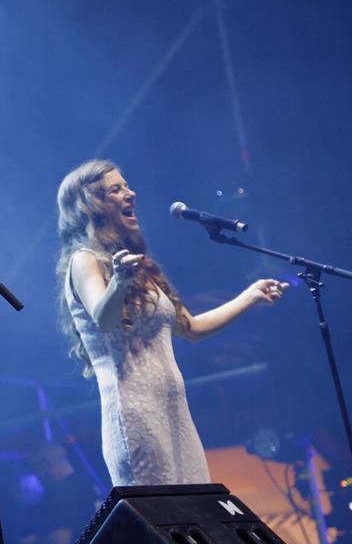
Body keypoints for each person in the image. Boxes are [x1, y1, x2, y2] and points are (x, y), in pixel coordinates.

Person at [55, 159, 287, 487]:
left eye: (127, 185)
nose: (130, 193)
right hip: (135, 413)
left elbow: (190, 328)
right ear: (92, 205)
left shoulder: (140, 267)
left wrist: (249, 296)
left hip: (175, 413)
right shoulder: (84, 261)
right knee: (166, 522)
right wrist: (119, 282)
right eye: (116, 189)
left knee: (199, 513)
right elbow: (103, 319)